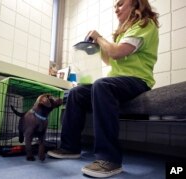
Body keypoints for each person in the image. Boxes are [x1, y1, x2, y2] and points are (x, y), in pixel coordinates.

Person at [47, 0, 159, 178]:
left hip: (138, 81)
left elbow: (116, 52)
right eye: (116, 5)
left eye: (121, 4)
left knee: (101, 85)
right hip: (118, 82)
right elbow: (111, 60)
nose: (117, 8)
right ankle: (70, 147)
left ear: (136, 5)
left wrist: (99, 37)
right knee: (77, 92)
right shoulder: (124, 33)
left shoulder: (145, 24)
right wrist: (98, 47)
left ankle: (110, 159)